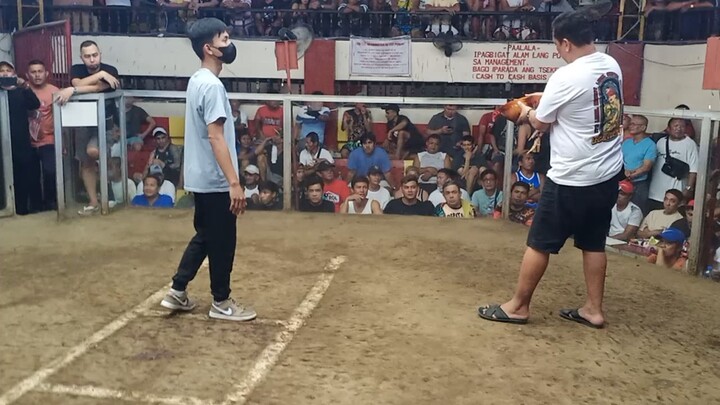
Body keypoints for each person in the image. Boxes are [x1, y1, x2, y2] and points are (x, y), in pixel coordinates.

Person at [478, 7, 623, 329]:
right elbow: (587, 97)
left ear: (566, 42)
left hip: (573, 176)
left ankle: (518, 307)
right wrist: (545, 96)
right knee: (593, 242)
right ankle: (593, 309)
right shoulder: (609, 65)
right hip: (607, 172)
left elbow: (541, 122)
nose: (558, 51)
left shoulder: (566, 76)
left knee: (539, 242)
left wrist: (524, 111)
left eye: (557, 45)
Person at [160, 18, 257, 322]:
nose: (229, 44)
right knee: (223, 241)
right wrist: (234, 183)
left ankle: (177, 290)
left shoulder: (197, 80)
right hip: (215, 179)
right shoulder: (213, 87)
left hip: (200, 176)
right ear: (209, 48)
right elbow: (216, 137)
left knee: (206, 235)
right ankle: (221, 302)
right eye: (223, 40)